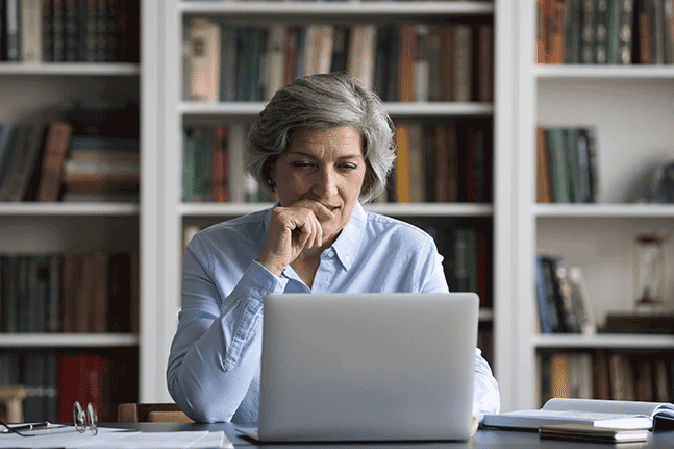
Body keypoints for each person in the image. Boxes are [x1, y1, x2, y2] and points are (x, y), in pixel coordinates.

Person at [167, 72, 500, 433]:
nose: (327, 188)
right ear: (271, 169)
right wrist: (268, 267)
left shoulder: (409, 251)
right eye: (304, 164)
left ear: (367, 174)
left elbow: (472, 376)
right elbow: (207, 403)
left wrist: (463, 409)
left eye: (346, 166)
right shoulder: (212, 250)